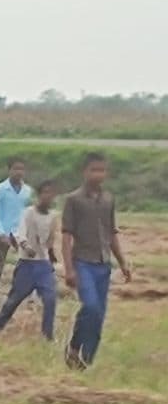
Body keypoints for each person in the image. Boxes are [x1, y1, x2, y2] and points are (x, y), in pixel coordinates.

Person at [62, 152, 131, 369]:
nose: (98, 174)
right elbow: (66, 236)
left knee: (99, 315)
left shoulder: (108, 199)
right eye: (94, 170)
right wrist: (69, 269)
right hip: (82, 262)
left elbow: (112, 234)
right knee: (91, 307)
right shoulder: (73, 200)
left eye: (102, 170)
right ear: (85, 172)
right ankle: (74, 346)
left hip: (103, 264)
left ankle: (85, 360)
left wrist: (123, 263)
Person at [0, 181, 59, 341]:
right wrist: (26, 246)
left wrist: (51, 256)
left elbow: (50, 240)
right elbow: (20, 233)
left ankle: (48, 335)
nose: (48, 196)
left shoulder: (53, 217)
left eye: (51, 193)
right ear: (39, 195)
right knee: (13, 301)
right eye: (45, 192)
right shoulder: (28, 213)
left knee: (50, 299)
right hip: (27, 264)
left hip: (43, 265)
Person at [0, 158, 32, 304]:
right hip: (4, 233)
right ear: (9, 170)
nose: (18, 172)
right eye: (15, 169)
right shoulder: (1, 190)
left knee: (26, 267)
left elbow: (29, 212)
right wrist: (1, 234)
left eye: (21, 169)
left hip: (21, 233)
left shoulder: (27, 191)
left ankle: (24, 300)